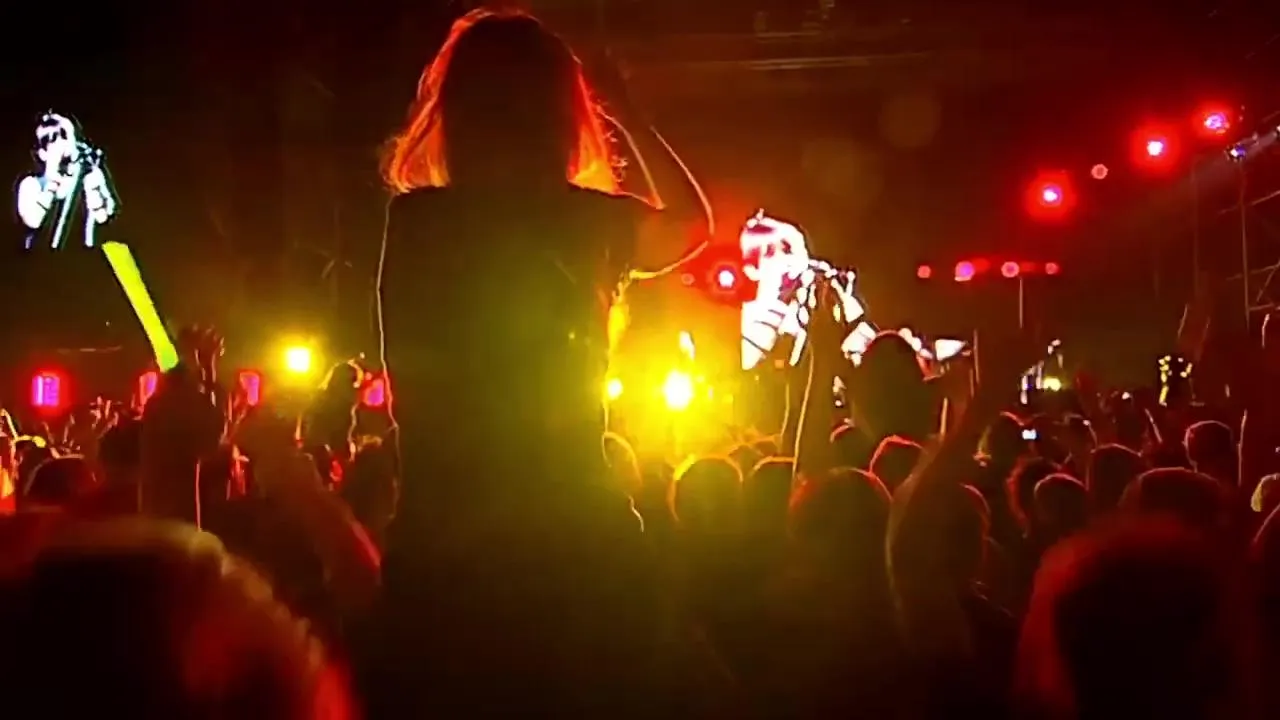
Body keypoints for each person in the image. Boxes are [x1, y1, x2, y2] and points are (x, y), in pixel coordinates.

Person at [377, 8, 711, 526]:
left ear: (458, 110)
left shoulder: (418, 223)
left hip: (442, 531)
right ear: (561, 115)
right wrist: (626, 113)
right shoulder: (585, 222)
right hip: (569, 526)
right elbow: (691, 226)